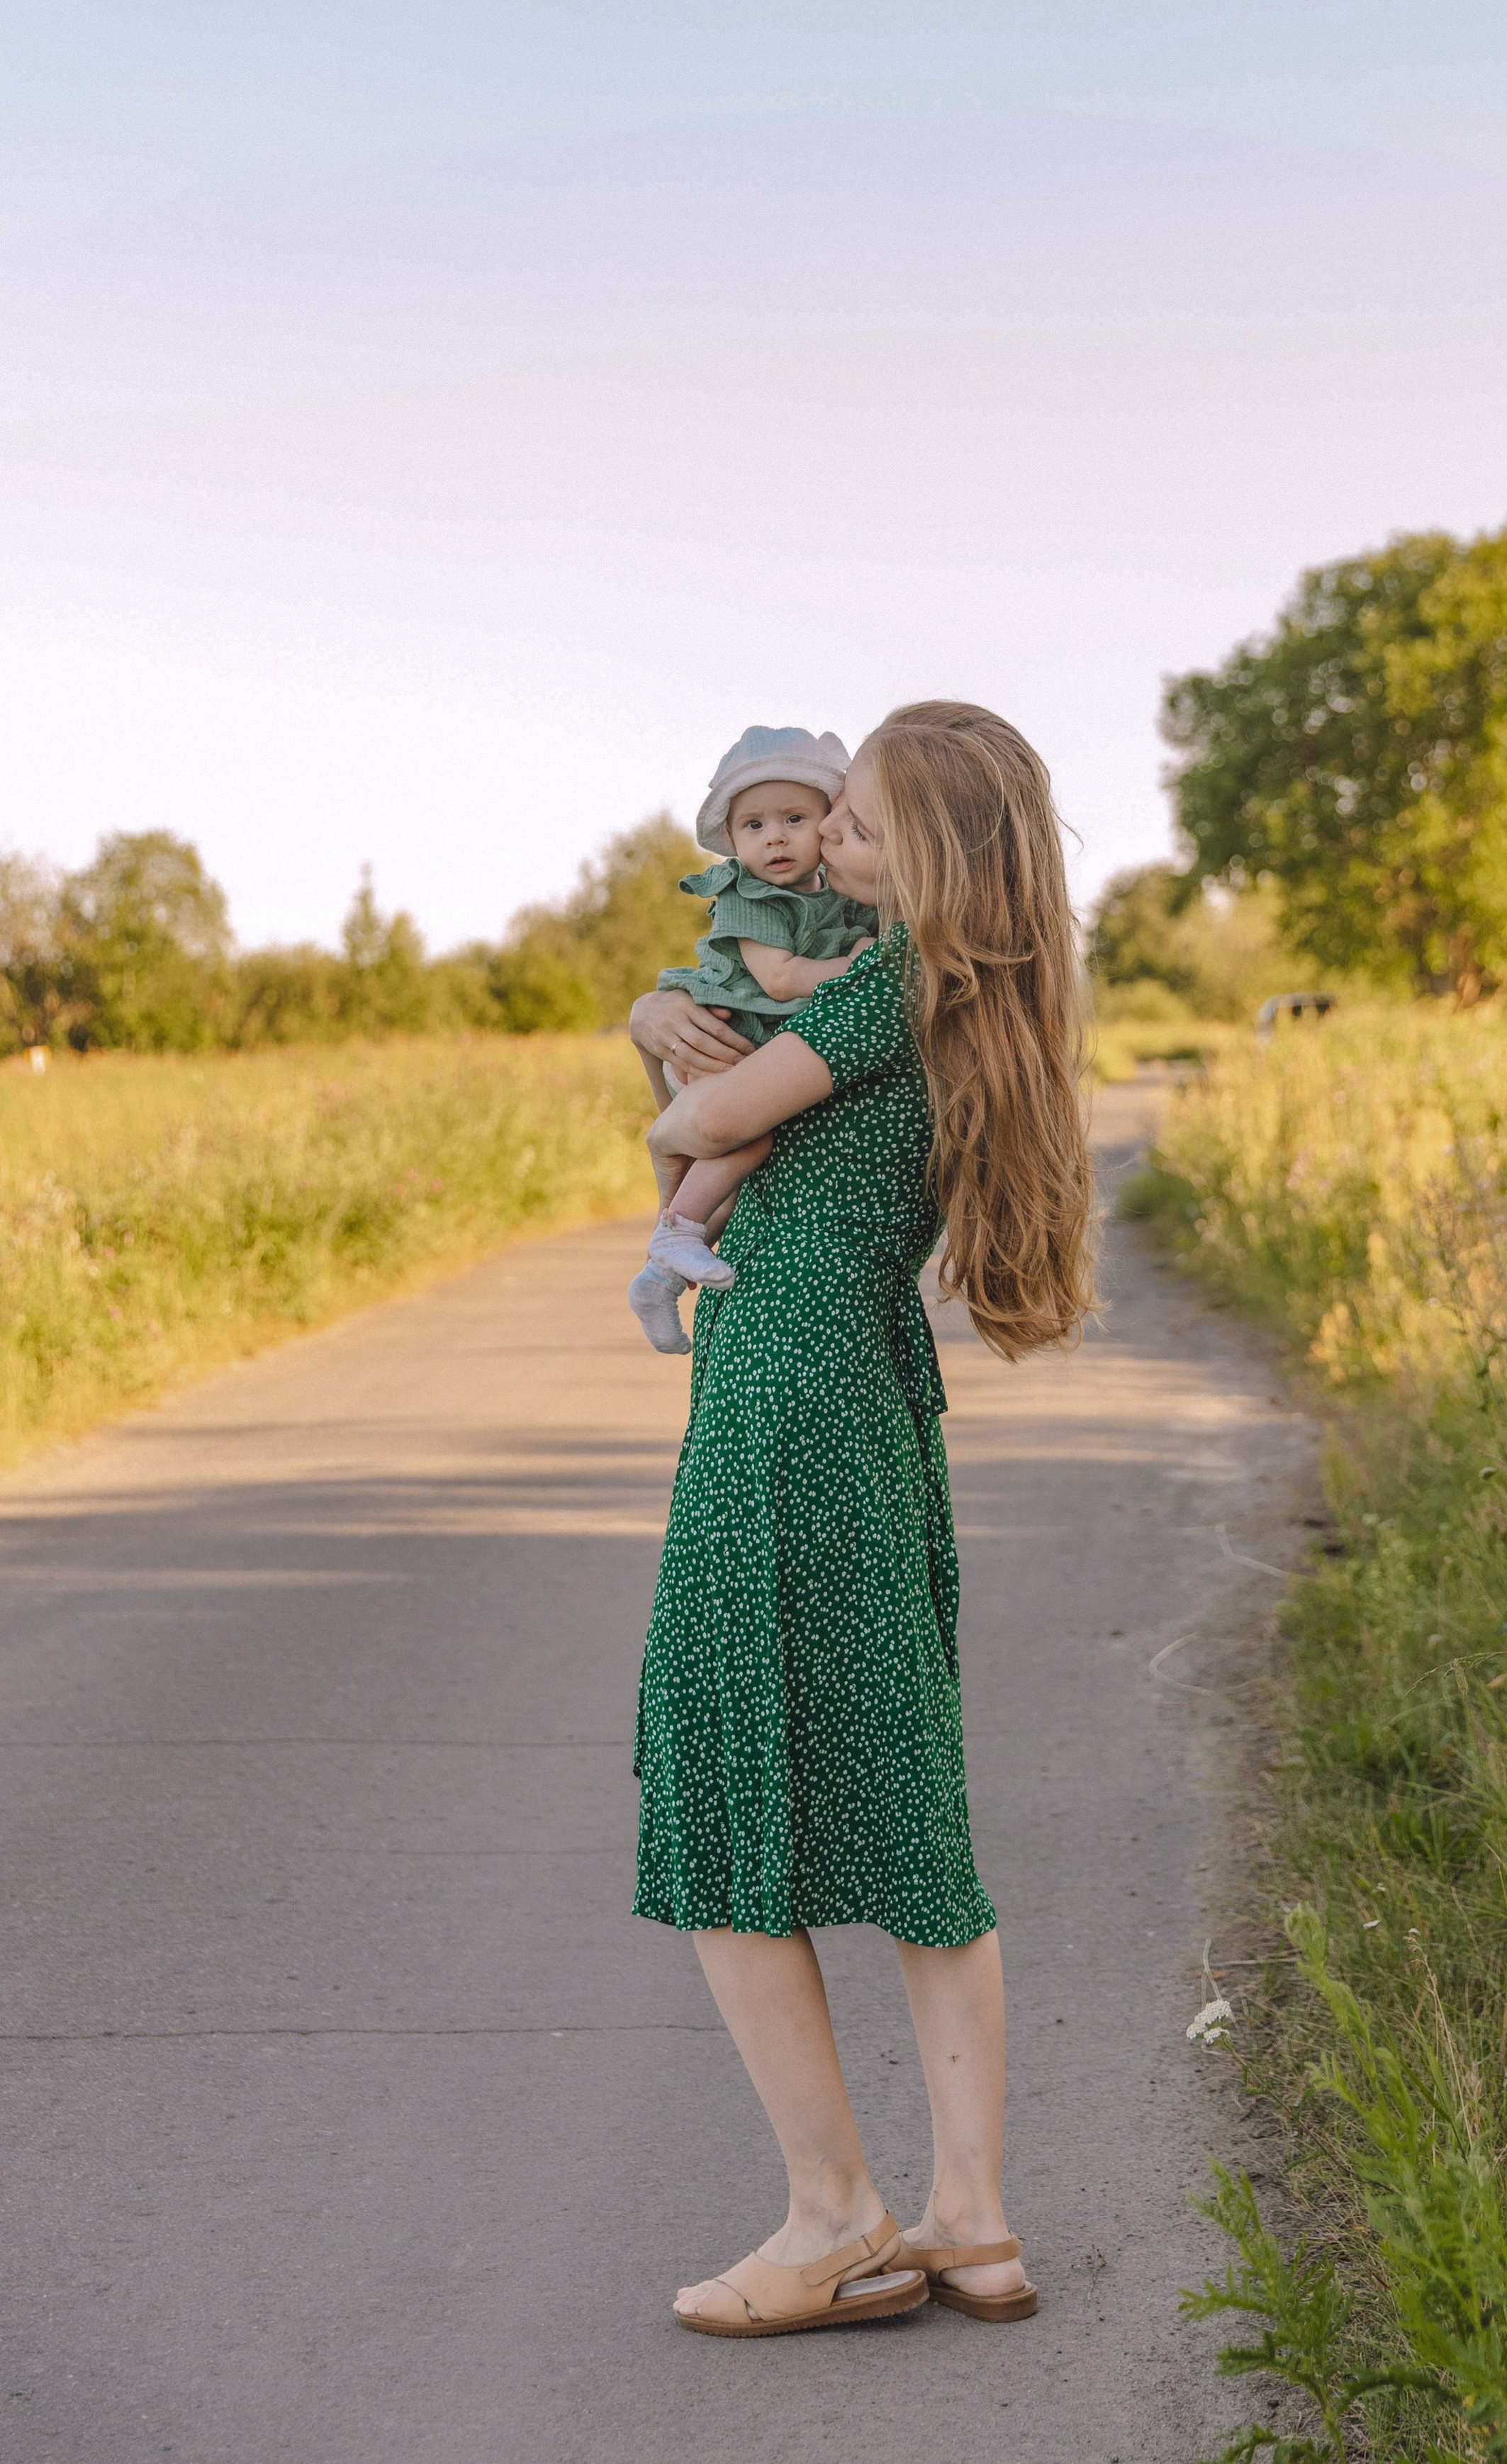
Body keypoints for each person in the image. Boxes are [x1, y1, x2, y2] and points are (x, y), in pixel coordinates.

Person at [627, 701, 1097, 2339]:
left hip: (787, 1397)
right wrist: (668, 1020)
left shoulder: (889, 983)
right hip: (867, 1391)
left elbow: (697, 1117)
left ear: (941, 860)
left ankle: (833, 2214)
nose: (827, 845)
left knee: (714, 1771)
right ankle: (966, 2214)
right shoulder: (971, 992)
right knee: (904, 1799)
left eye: (865, 831)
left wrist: (661, 1042)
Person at [626, 725, 878, 1356]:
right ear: (733, 841)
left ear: (826, 823)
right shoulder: (751, 895)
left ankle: (660, 1277)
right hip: (724, 1039)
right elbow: (781, 976)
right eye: (755, 827)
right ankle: (676, 1238)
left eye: (795, 819)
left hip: (751, 1055)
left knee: (740, 1182)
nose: (776, 838)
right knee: (751, 1138)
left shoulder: (841, 902)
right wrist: (862, 965)